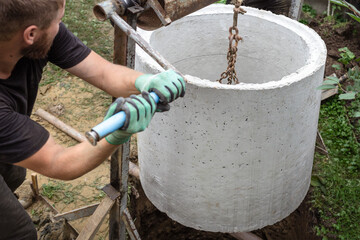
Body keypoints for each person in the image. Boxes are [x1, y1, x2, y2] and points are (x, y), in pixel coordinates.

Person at [0, 0, 185, 239]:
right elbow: (60, 162)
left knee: (13, 173)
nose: (60, 24)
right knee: (19, 233)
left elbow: (102, 72)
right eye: (57, 21)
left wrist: (145, 82)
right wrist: (117, 134)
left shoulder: (24, 30)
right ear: (31, 34)